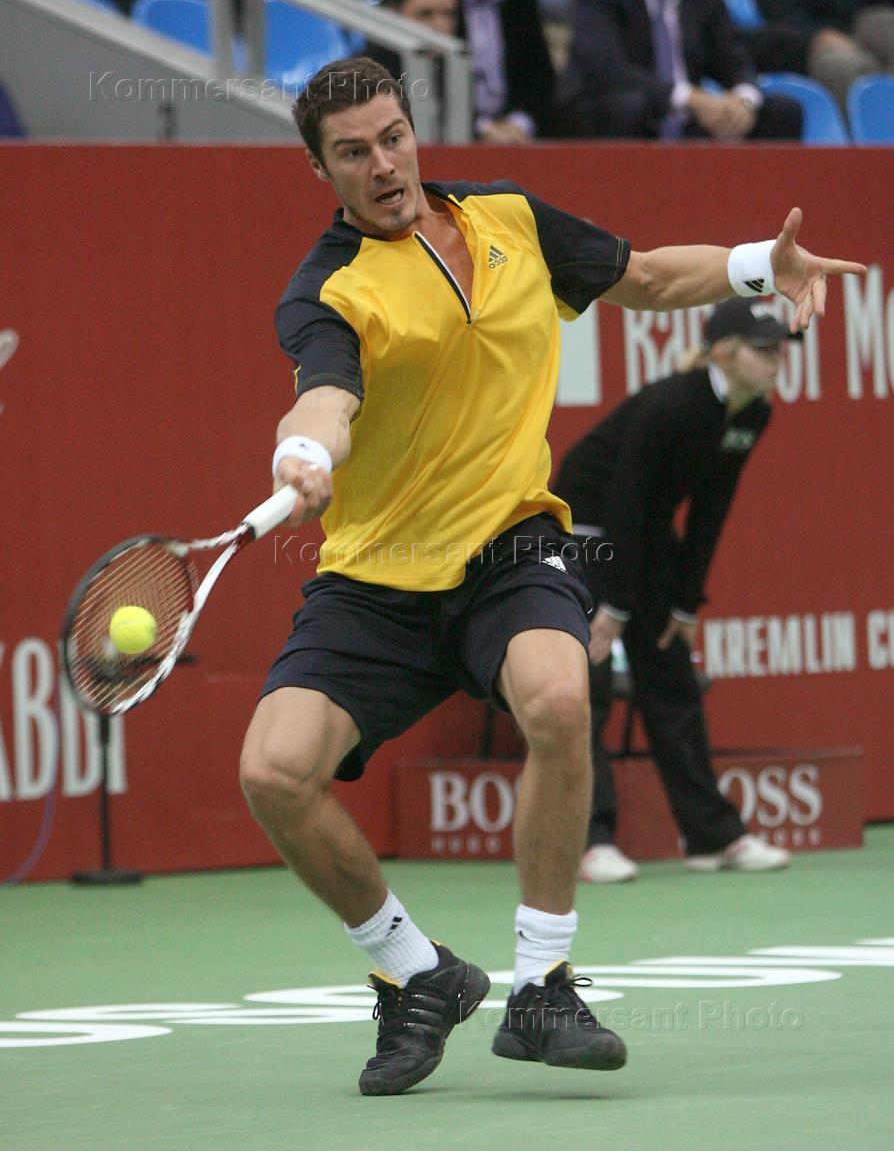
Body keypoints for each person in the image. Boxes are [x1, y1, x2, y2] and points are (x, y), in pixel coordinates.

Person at [238, 55, 864, 1096]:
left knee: (561, 698)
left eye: (392, 138)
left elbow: (650, 279)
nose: (382, 165)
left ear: (414, 134)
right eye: (352, 153)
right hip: (377, 579)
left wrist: (762, 263)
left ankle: (542, 985)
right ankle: (414, 973)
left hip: (509, 547)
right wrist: (302, 454)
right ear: (321, 170)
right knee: (273, 773)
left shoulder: (511, 221)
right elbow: (326, 396)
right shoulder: (328, 290)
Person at [556, 298, 798, 884]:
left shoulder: (753, 414)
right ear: (724, 354)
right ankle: (591, 841)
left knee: (669, 675)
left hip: (642, 532)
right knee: (588, 686)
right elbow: (625, 499)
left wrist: (686, 603)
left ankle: (713, 837)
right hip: (585, 526)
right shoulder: (671, 405)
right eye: (763, 349)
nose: (777, 359)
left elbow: (712, 509)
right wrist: (616, 604)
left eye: (779, 348)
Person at [560, 0, 803, 141]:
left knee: (783, 110)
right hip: (630, 108)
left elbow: (732, 58)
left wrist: (744, 101)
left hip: (691, 117)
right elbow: (607, 70)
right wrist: (690, 98)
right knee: (629, 107)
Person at [424, 0, 558, 140]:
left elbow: (539, 75)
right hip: (444, 134)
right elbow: (422, 81)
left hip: (516, 134)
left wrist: (520, 123)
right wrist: (480, 127)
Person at [753, 0, 894, 119]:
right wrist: (813, 34)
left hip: (880, 23)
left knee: (884, 24)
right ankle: (856, 133)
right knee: (838, 67)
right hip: (822, 33)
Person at [362, 0, 460, 87]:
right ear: (392, 14)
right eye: (425, 14)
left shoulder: (458, 69)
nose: (441, 25)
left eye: (449, 14)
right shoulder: (364, 79)